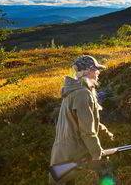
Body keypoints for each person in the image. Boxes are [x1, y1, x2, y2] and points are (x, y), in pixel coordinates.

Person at [49, 55, 114, 184]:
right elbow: (87, 130)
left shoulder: (73, 92)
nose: (98, 73)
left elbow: (87, 121)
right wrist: (97, 154)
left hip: (64, 153)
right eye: (96, 70)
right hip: (74, 155)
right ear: (89, 71)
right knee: (106, 172)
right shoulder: (83, 94)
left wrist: (106, 133)